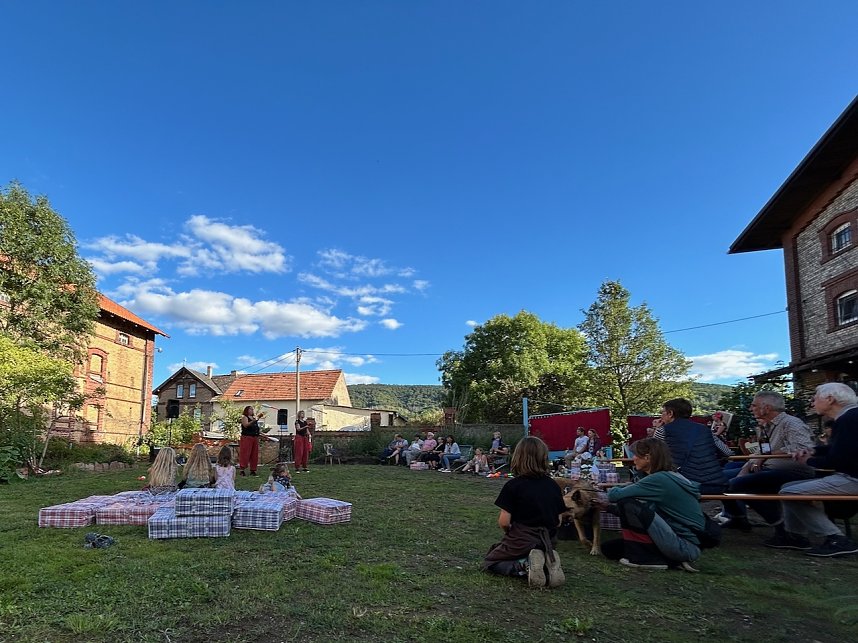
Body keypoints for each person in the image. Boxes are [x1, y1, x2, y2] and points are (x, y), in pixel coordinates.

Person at [768, 383, 858, 557]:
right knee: (790, 485)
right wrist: (813, 450)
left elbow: (837, 460)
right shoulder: (851, 417)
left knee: (789, 493)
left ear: (830, 399)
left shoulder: (848, 420)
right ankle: (794, 535)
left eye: (815, 398)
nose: (812, 403)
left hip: (853, 479)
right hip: (851, 476)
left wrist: (808, 460)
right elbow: (841, 449)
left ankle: (836, 539)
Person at [601, 438, 706, 571]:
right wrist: (607, 508)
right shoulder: (671, 476)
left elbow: (614, 495)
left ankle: (646, 559)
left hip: (683, 545)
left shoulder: (659, 479)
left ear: (648, 457)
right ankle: (669, 561)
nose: (633, 459)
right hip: (679, 540)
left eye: (636, 455)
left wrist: (628, 485)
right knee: (609, 549)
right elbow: (645, 514)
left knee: (626, 502)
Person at [720, 391, 815, 533]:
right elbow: (763, 452)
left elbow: (803, 448)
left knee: (737, 483)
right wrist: (748, 466)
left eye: (754, 405)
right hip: (769, 467)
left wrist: (763, 457)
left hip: (792, 471)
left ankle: (782, 527)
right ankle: (737, 518)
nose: (751, 409)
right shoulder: (767, 426)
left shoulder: (791, 423)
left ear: (767, 408)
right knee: (718, 479)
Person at [482, 436, 566, 587]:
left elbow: (504, 522)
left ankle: (524, 565)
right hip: (548, 539)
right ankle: (547, 563)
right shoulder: (553, 486)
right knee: (500, 548)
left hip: (522, 538)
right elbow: (559, 520)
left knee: (491, 561)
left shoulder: (513, 486)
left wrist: (510, 531)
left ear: (518, 457)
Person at [655, 398, 726, 494]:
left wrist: (657, 428)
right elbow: (726, 452)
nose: (661, 416)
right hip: (714, 484)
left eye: (663, 412)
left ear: (670, 413)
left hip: (683, 484)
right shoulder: (705, 429)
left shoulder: (663, 430)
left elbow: (653, 455)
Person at [239, 405, 265, 477]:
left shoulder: (253, 418)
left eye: (252, 409)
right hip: (247, 437)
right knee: (245, 453)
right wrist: (255, 420)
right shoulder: (245, 417)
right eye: (250, 409)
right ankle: (242, 470)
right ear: (246, 410)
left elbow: (257, 430)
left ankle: (253, 470)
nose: (252, 410)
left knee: (254, 454)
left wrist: (264, 435)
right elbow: (246, 425)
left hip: (254, 437)